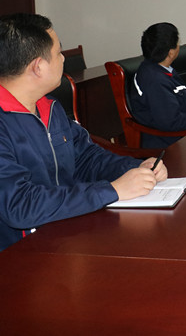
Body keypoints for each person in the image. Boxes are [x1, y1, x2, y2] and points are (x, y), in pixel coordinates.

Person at [0, 13, 167, 251]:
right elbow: (20, 205)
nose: (63, 59)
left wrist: (136, 169)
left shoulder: (49, 107)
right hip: (19, 255)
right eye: (59, 53)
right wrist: (111, 191)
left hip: (65, 232)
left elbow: (86, 158)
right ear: (38, 67)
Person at [130, 22, 186, 148]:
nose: (179, 45)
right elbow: (171, 121)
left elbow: (184, 97)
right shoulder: (154, 80)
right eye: (178, 42)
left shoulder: (162, 69)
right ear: (171, 53)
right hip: (173, 143)